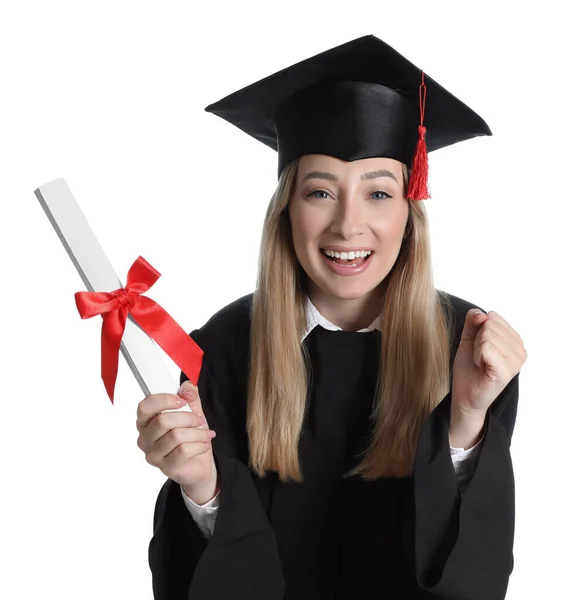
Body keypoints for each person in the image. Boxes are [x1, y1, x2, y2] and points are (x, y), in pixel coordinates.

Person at [136, 35, 526, 600]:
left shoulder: (465, 346)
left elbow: (472, 574)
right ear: (287, 211)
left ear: (409, 212)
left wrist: (465, 419)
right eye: (320, 192)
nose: (348, 225)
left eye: (378, 193)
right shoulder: (221, 349)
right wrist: (202, 487)